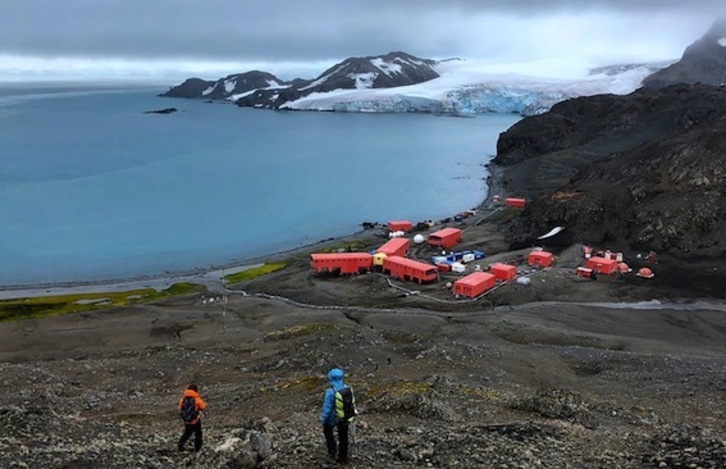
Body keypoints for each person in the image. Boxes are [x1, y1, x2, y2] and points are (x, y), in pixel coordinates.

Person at [321, 367, 356, 464]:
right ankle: (343, 457)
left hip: (332, 418)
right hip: (344, 417)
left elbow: (327, 409)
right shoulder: (347, 389)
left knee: (328, 432)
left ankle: (332, 452)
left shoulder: (330, 392)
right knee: (343, 437)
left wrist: (323, 419)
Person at [177, 383, 207, 453]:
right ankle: (197, 448)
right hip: (195, 420)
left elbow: (180, 408)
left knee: (187, 432)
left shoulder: (183, 399)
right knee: (198, 434)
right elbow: (203, 406)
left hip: (186, 421)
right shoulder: (196, 399)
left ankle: (180, 444)